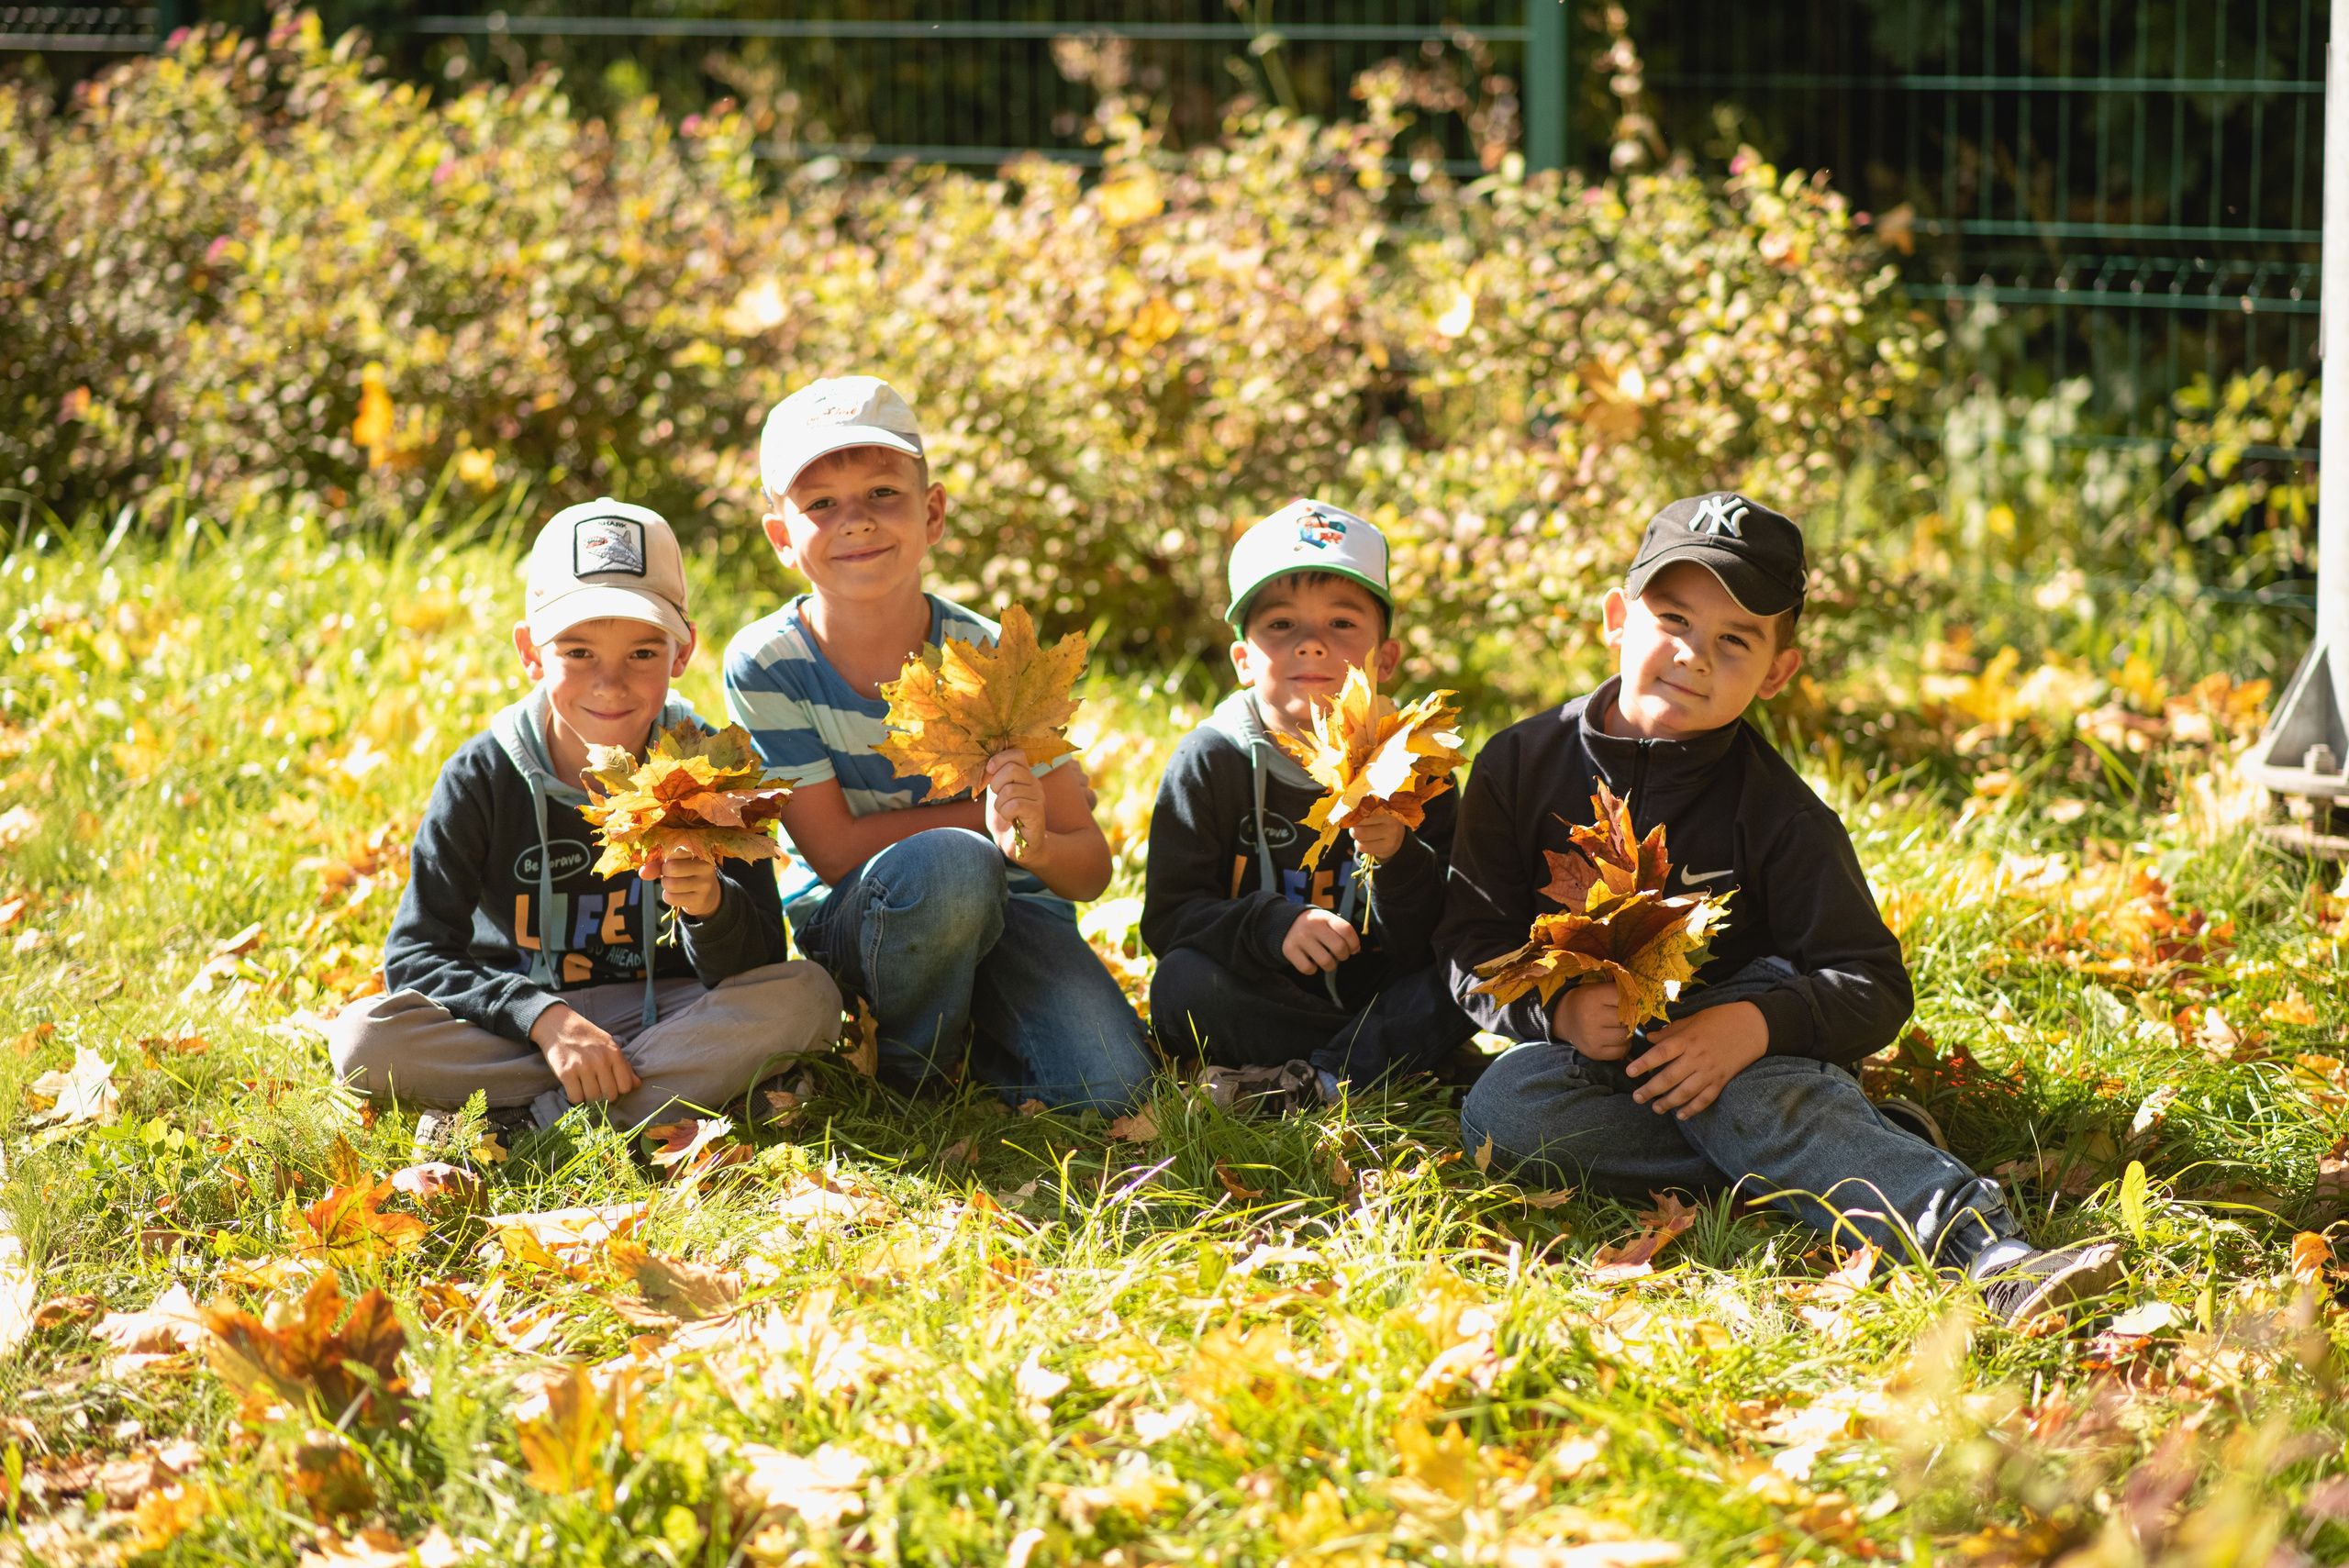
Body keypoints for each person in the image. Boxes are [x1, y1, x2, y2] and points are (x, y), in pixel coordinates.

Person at [1439, 492, 2121, 1324]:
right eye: (1673, 619)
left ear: (1777, 673)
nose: (1694, 655)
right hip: (1612, 1062)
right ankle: (1834, 1150)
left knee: (1744, 1100)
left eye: (1735, 641)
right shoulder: (1517, 764)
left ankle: (1983, 1250)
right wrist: (1561, 1012)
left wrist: (1751, 1029)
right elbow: (1469, 943)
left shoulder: (1777, 811)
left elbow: (1871, 981)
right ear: (1617, 618)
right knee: (1503, 1112)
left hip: (1752, 1051)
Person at [328, 501, 844, 1143]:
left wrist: (711, 909)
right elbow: (417, 954)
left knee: (809, 997)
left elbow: (763, 956)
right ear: (530, 653)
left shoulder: (706, 767)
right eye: (577, 650)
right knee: (362, 1038)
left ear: (681, 651)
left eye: (641, 652)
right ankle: (679, 1095)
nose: (610, 682)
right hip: (522, 1028)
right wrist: (542, 1017)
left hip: (674, 1012)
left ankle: (530, 1122)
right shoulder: (482, 776)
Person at [722, 377, 1152, 1112]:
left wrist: (1037, 843)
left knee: (1113, 1087)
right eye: (820, 503)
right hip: (864, 920)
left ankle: (973, 1036)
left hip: (1015, 916)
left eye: (884, 493)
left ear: (934, 512)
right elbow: (833, 850)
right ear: (782, 538)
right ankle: (911, 1073)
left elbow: (1087, 868)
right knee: (954, 866)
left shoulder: (986, 656)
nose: (855, 520)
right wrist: (981, 823)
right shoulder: (767, 664)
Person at [1142, 500, 1477, 1115]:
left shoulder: (1415, 764)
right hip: (1265, 993)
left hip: (1382, 990)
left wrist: (1401, 857)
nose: (1313, 646)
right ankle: (1388, 1063)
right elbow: (1170, 919)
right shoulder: (1210, 760)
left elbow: (1436, 938)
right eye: (1281, 625)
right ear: (1243, 660)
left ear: (1386, 658)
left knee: (1471, 972)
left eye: (1343, 624)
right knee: (1181, 984)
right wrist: (1273, 926)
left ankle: (1314, 1079)